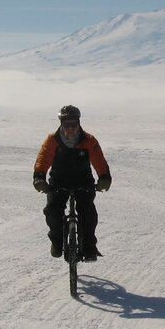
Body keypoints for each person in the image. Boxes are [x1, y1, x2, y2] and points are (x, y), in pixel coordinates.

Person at [33, 105, 111, 260]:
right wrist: (39, 177)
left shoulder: (89, 140)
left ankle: (89, 247)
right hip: (58, 181)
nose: (70, 128)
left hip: (83, 181)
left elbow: (99, 160)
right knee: (52, 211)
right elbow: (43, 158)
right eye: (67, 124)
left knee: (88, 212)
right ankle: (57, 242)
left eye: (73, 124)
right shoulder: (52, 140)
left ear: (79, 123)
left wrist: (104, 177)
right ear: (61, 124)